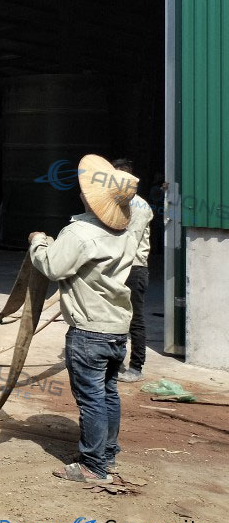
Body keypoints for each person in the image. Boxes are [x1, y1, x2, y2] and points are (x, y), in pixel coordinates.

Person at [28, 153, 137, 483]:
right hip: (116, 328)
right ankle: (108, 454)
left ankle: (92, 466)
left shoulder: (78, 233)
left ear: (89, 197)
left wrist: (38, 242)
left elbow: (52, 266)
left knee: (91, 400)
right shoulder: (126, 232)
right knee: (108, 393)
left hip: (89, 332)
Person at [111, 158, 153, 382]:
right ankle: (115, 361)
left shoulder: (139, 206)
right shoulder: (116, 203)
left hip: (133, 267)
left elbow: (130, 241)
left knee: (134, 319)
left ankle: (136, 366)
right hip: (118, 266)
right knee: (115, 316)